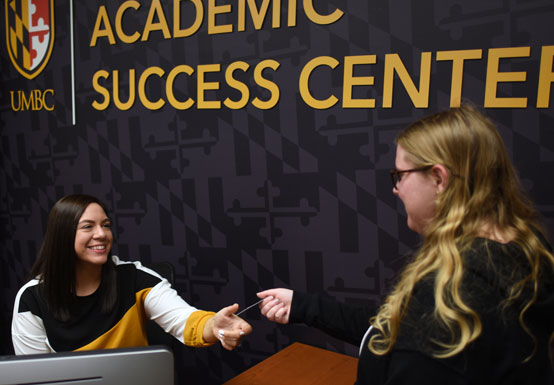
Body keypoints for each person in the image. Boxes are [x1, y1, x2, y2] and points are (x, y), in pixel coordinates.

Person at [257, 104, 554, 384]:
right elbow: (396, 330)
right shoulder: (526, 251)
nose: (396, 189)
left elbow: (417, 334)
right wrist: (303, 306)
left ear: (439, 179)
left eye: (400, 175)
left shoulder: (445, 302)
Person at [12, 194, 252, 354]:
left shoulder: (135, 278)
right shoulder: (32, 299)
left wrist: (215, 327)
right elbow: (35, 374)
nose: (101, 234)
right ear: (61, 236)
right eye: (88, 226)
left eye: (105, 225)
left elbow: (186, 320)